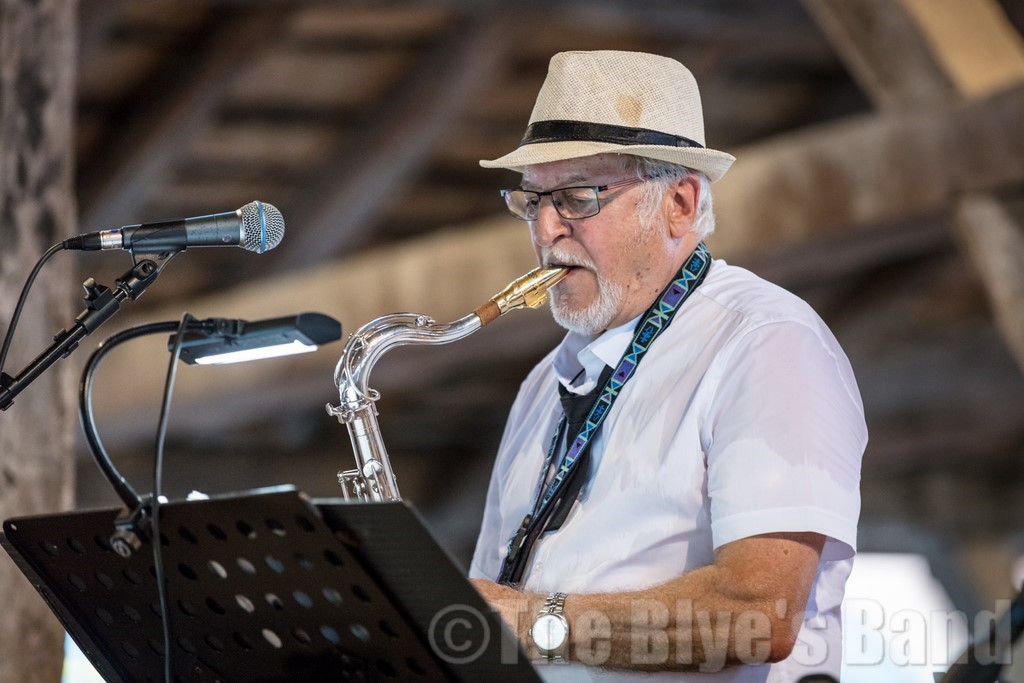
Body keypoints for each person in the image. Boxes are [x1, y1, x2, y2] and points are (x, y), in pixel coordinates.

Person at [467, 50, 867, 682]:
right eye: (531, 201)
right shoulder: (542, 383)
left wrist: (538, 623)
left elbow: (760, 613)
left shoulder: (766, 342)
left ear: (679, 203)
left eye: (576, 197)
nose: (546, 229)